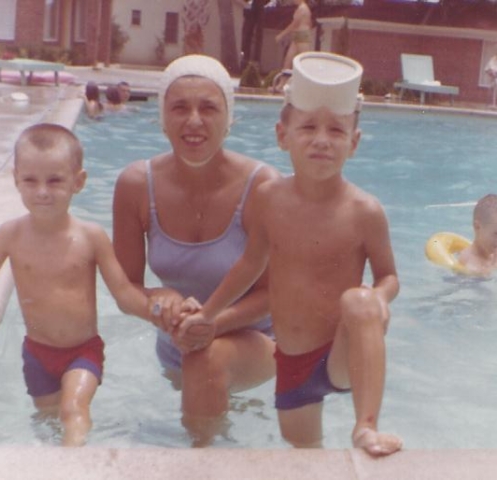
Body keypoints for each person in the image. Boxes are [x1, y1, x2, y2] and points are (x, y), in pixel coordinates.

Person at [179, 52, 403, 456]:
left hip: (342, 352)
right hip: (293, 359)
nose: (321, 139)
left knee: (359, 299)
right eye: (308, 127)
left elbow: (389, 276)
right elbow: (250, 264)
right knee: (303, 454)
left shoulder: (364, 211)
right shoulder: (268, 198)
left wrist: (379, 299)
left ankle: (366, 426)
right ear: (283, 135)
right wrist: (208, 314)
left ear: (353, 144)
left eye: (336, 130)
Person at [0, 123, 157, 447]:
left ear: (79, 182)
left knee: (73, 409)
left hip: (83, 352)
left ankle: (72, 469)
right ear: (16, 179)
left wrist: (160, 313)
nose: (42, 191)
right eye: (30, 180)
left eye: (55, 180)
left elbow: (125, 294)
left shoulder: (91, 237)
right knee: (46, 422)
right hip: (37, 354)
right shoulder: (9, 235)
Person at [112, 54, 280, 446]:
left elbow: (275, 294)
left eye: (208, 107)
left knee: (207, 364)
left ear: (229, 117)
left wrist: (211, 323)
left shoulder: (263, 186)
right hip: (176, 351)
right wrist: (160, 304)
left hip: (256, 343)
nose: (193, 120)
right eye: (179, 107)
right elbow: (126, 290)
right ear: (161, 117)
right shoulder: (135, 185)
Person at [457, 194, 497, 276]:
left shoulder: (490, 254)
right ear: (477, 227)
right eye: (496, 234)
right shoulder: (470, 262)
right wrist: (494, 266)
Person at [275, 0, 313, 70]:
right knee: (288, 61)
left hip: (302, 35)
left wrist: (281, 35)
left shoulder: (303, 8)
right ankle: (284, 78)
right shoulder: (300, 8)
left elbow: (294, 24)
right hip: (297, 35)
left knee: (305, 60)